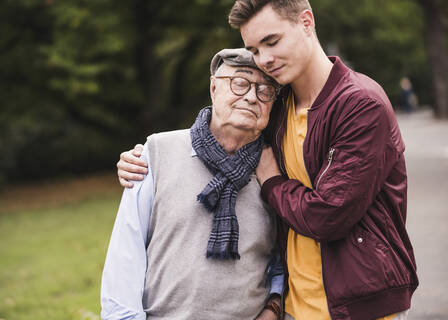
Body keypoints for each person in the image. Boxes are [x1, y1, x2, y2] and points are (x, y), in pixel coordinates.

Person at [117, 1, 419, 319]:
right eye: (254, 49)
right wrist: (146, 156)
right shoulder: (278, 102)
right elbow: (224, 126)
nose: (265, 59)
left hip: (359, 305)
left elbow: (328, 215)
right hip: (295, 305)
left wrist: (272, 180)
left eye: (272, 42)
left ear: (306, 22)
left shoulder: (360, 105)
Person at [101, 48, 285, 320]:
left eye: (265, 90)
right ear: (213, 87)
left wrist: (273, 309)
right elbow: (125, 256)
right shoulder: (155, 153)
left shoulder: (276, 170)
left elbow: (285, 259)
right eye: (240, 83)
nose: (250, 96)